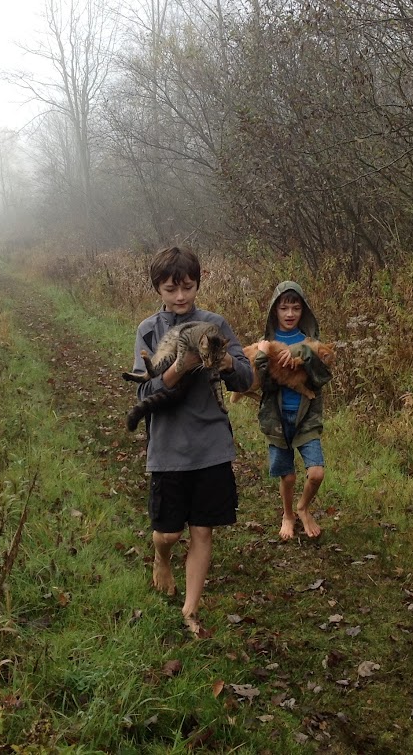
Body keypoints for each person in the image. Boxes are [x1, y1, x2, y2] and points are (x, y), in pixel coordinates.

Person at [132, 246, 253, 637]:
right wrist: (178, 370)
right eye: (171, 289)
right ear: (158, 289)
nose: (180, 296)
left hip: (211, 444)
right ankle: (161, 556)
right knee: (168, 532)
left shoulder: (215, 322)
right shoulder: (148, 330)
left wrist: (229, 363)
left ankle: (190, 609)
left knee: (203, 530)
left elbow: (247, 379)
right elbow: (142, 391)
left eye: (187, 287)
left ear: (198, 284)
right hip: (167, 446)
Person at [255, 281, 333, 541]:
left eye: (296, 308)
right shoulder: (266, 343)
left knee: (316, 472)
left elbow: (322, 378)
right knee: (287, 476)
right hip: (276, 419)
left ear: (303, 311)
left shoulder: (311, 342)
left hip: (306, 417)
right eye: (284, 308)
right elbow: (262, 385)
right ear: (274, 310)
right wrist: (264, 357)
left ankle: (303, 507)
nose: (290, 314)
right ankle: (288, 514)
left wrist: (304, 354)